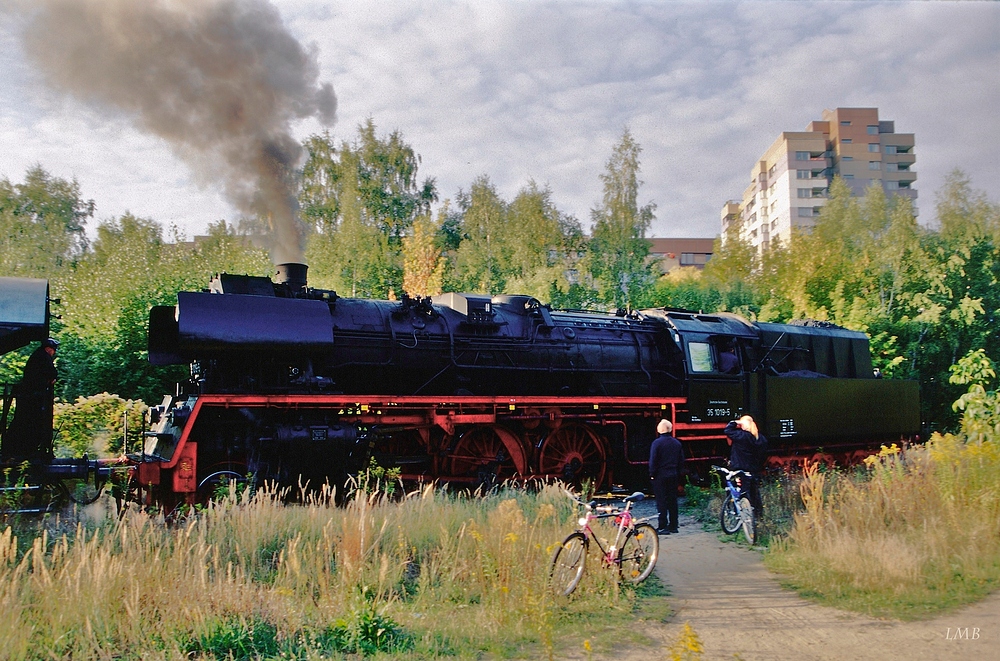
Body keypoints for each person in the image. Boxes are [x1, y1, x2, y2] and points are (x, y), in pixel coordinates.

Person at [2, 338, 58, 462]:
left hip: (29, 395)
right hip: (34, 396)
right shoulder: (43, 357)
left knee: (23, 421)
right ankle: (26, 450)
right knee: (32, 422)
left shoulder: (37, 356)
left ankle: (19, 450)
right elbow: (52, 373)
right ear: (49, 349)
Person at [724, 415, 767, 516]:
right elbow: (763, 454)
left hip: (740, 469)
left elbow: (728, 430)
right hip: (754, 469)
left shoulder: (741, 436)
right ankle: (758, 515)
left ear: (743, 425)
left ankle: (741, 515)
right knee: (754, 492)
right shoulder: (760, 438)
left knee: (742, 492)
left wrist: (735, 422)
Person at [649, 418, 684, 534]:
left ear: (659, 430)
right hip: (673, 474)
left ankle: (662, 526)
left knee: (661, 501)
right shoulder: (677, 443)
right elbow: (681, 461)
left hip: (660, 475)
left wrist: (652, 474)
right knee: (672, 501)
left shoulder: (656, 443)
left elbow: (653, 460)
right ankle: (674, 526)